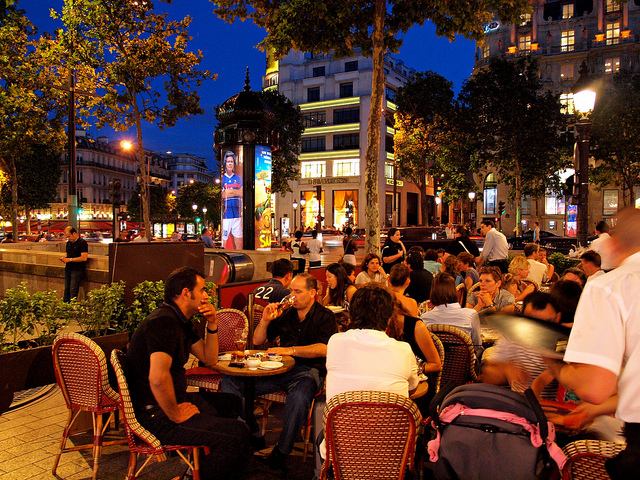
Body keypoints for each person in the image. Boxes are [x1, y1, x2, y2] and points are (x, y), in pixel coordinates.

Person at [125, 267, 251, 479]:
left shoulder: (180, 321)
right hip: (157, 414)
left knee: (231, 402)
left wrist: (212, 323)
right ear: (186, 292)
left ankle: (201, 466)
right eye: (202, 290)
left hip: (171, 402)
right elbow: (157, 378)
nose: (206, 295)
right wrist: (175, 412)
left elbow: (209, 359)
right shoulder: (163, 322)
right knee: (237, 435)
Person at [545, 207, 640, 479]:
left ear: (613, 242)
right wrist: (598, 410)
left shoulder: (609, 286)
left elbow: (595, 386)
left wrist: (554, 365)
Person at [222, 273, 337, 471]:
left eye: (297, 291)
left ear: (312, 293)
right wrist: (265, 321)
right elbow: (258, 341)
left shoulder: (324, 316)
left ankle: (282, 452)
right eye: (291, 290)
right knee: (230, 382)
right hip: (277, 369)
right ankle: (252, 432)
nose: (292, 295)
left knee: (299, 397)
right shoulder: (286, 313)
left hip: (307, 371)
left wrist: (291, 350)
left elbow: (325, 348)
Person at [321, 284, 421, 464]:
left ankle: (321, 474)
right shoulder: (403, 350)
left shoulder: (335, 342)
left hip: (340, 453)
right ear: (390, 317)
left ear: (352, 313)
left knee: (322, 433)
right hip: (392, 453)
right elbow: (413, 385)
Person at [421, 273, 483, 358]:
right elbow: (477, 346)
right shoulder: (471, 315)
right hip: (465, 368)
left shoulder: (424, 318)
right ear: (455, 292)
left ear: (432, 292)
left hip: (436, 368)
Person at [60, 226, 89, 303]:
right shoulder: (68, 243)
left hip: (77, 270)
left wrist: (69, 259)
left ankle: (72, 308)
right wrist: (64, 259)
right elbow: (69, 255)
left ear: (74, 233)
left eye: (69, 236)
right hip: (68, 268)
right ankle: (65, 307)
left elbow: (84, 258)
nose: (68, 238)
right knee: (66, 289)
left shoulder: (82, 243)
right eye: (67, 237)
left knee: (73, 290)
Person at [221, 150, 243, 250]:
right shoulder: (222, 179)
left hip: (237, 213)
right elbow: (223, 194)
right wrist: (235, 191)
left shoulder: (238, 178)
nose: (230, 163)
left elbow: (242, 193)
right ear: (225, 163)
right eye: (228, 161)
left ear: (234, 163)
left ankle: (239, 255)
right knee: (224, 237)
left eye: (231, 161)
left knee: (238, 237)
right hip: (226, 214)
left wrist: (229, 192)